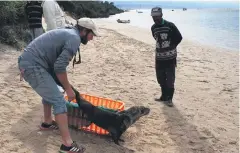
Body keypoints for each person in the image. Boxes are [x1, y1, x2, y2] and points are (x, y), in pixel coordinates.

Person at [18, 17, 100, 153]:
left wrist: (64, 85)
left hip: (33, 62)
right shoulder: (74, 38)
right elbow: (59, 68)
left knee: (52, 92)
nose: (92, 38)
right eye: (92, 34)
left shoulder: (69, 31)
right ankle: (67, 145)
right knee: (59, 100)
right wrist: (68, 89)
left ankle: (47, 123)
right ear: (84, 31)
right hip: (33, 65)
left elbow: (56, 65)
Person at [151, 7, 182, 107]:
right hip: (159, 57)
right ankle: (163, 96)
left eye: (157, 17)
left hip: (170, 58)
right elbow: (155, 38)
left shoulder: (170, 26)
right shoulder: (153, 28)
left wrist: (171, 46)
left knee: (170, 79)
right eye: (153, 17)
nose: (155, 19)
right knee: (160, 78)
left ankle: (169, 99)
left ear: (161, 15)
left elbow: (179, 37)